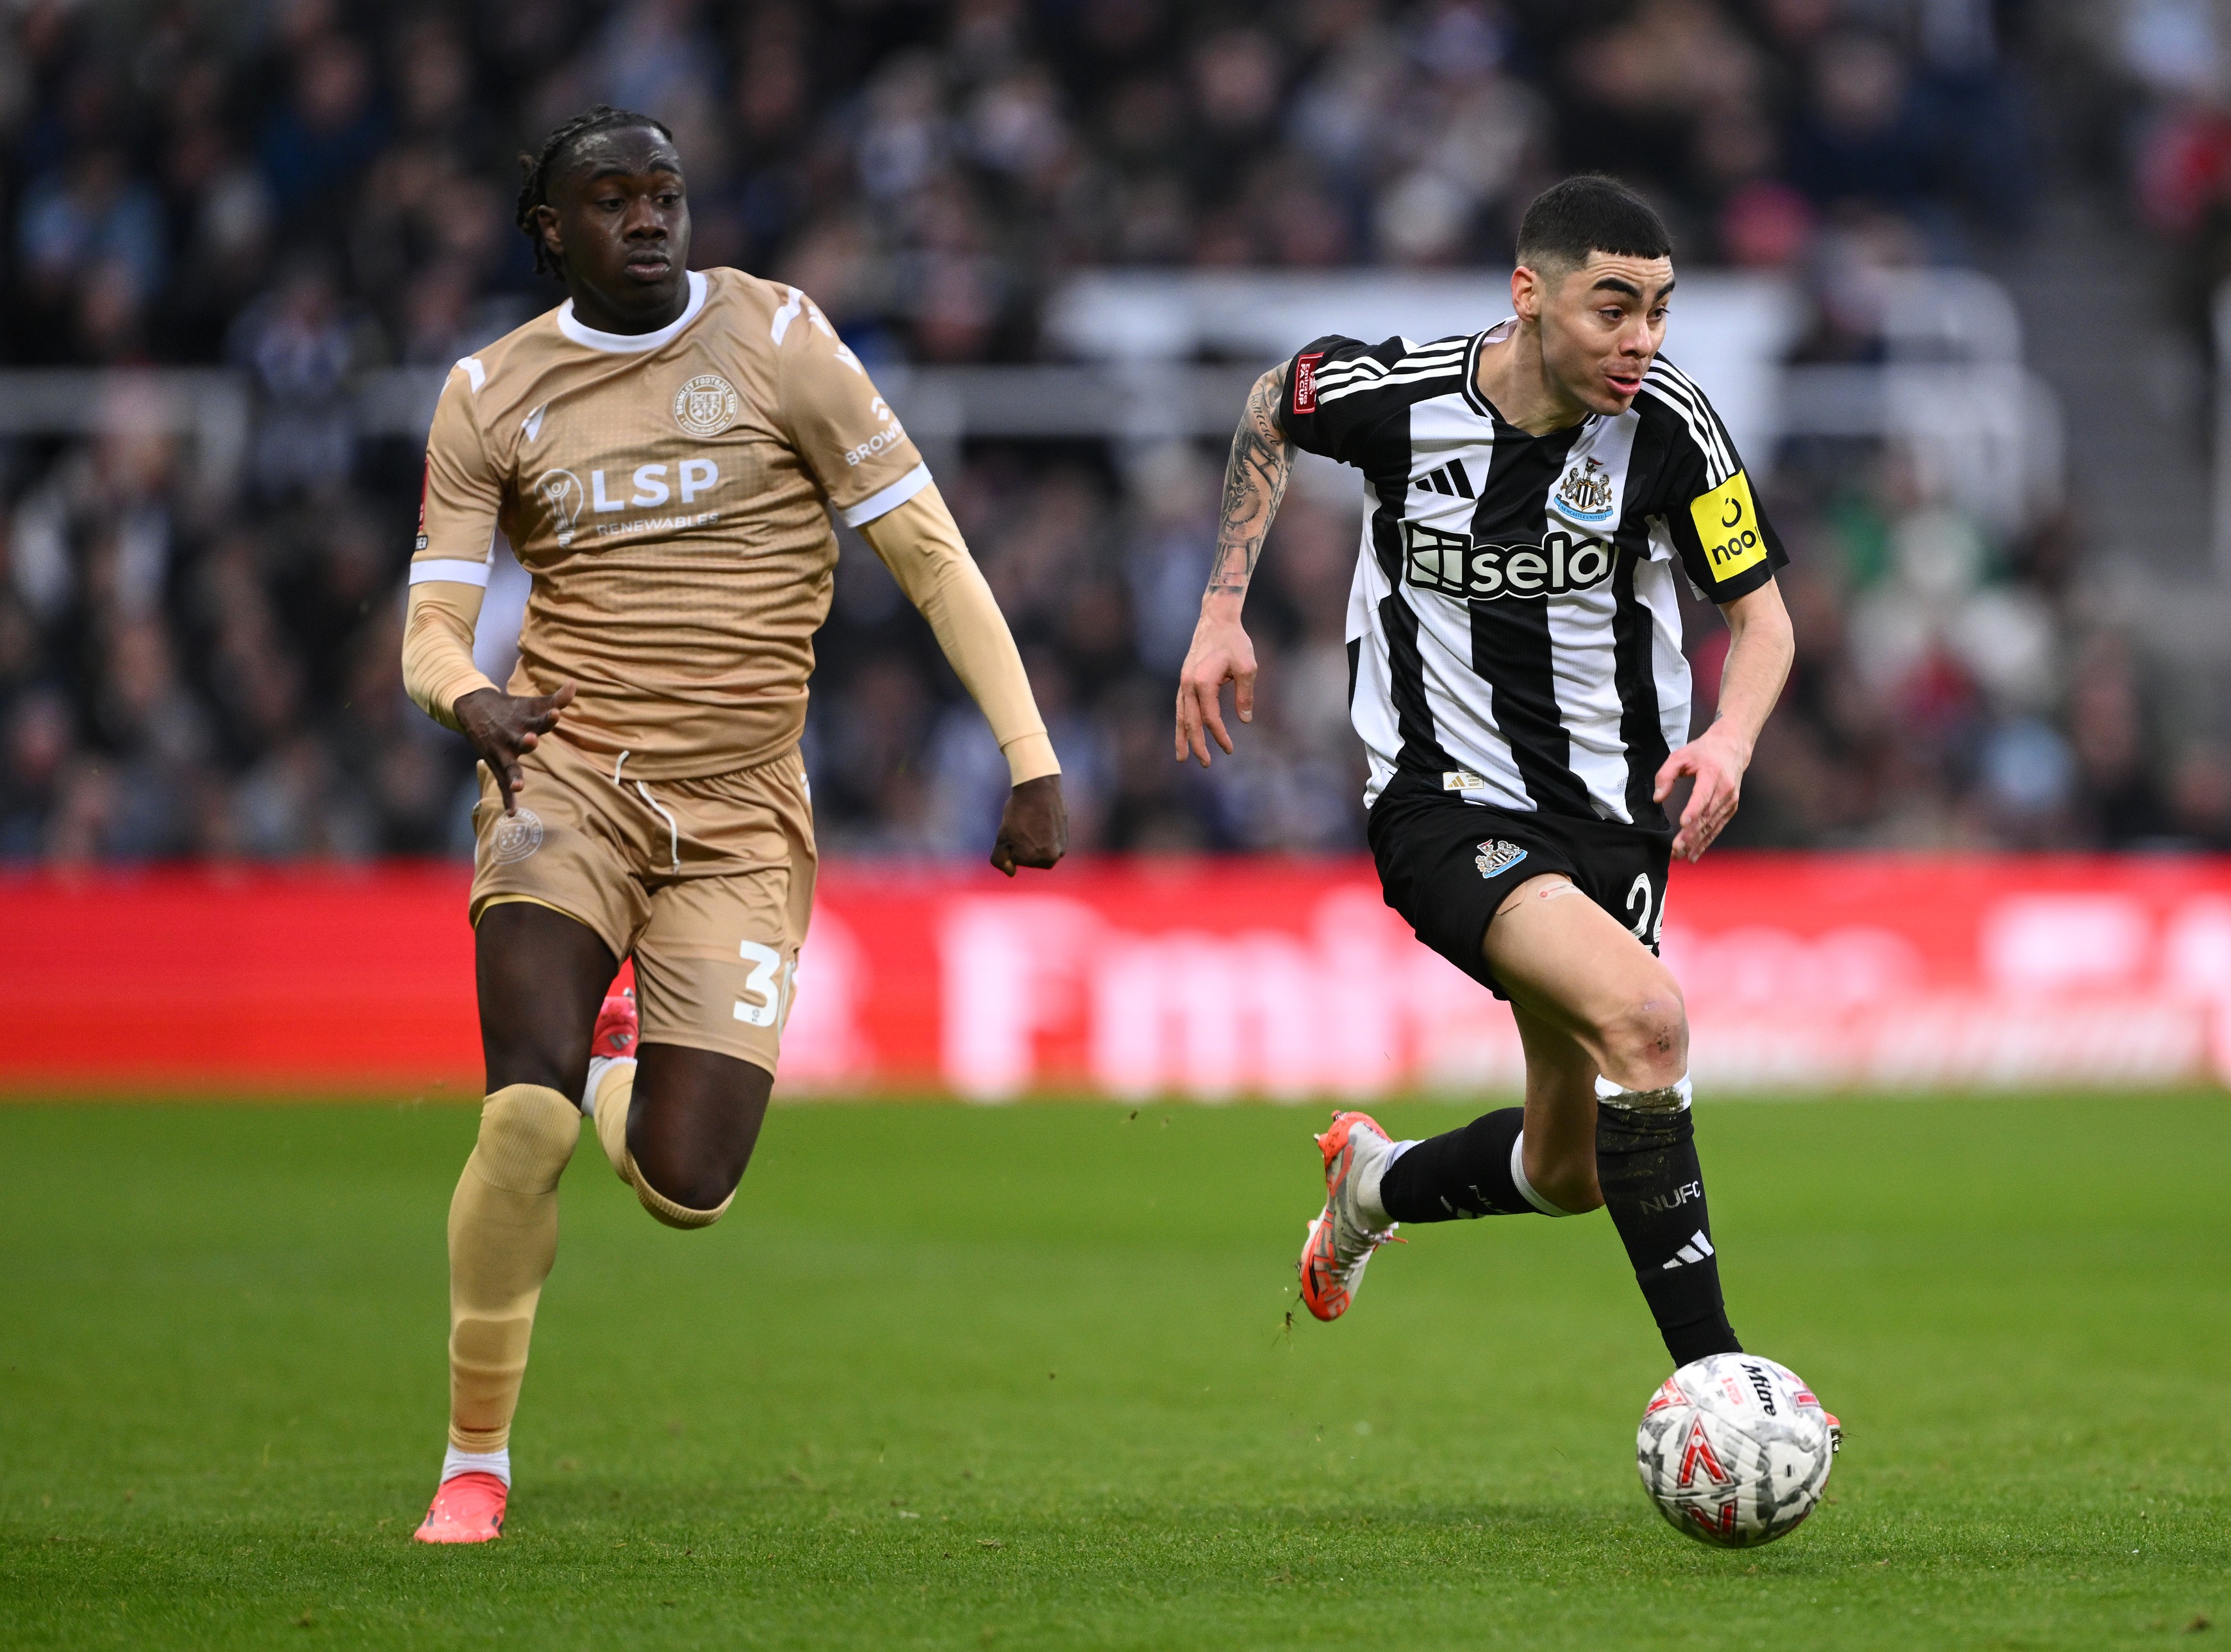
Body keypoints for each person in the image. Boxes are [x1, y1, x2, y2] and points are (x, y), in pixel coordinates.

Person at [400, 106, 1065, 1543]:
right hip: (562, 783)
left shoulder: (779, 342)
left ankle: (620, 1062)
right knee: (520, 1108)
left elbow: (929, 551)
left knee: (689, 1186)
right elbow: (432, 627)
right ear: (550, 230)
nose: (649, 218)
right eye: (612, 198)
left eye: (667, 194)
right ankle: (475, 1457)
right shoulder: (491, 391)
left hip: (743, 811)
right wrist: (471, 702)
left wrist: (1028, 753)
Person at [1174, 176, 1796, 1376]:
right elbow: (1271, 401)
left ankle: (1374, 1183)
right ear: (1529, 295)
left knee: (1569, 1169)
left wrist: (1729, 740)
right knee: (1652, 1027)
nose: (1641, 342)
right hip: (1443, 802)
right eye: (1613, 309)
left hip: (1612, 823)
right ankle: (1720, 1383)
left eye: (1660, 311)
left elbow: (1761, 621)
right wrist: (1221, 610)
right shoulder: (1399, 396)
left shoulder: (1670, 426)